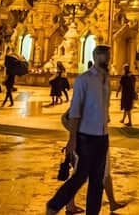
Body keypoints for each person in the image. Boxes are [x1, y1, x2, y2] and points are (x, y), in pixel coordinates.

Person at [46, 45, 113, 215]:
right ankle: (54, 205)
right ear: (97, 57)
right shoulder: (84, 79)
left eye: (109, 56)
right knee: (81, 176)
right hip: (86, 136)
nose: (108, 60)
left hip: (102, 135)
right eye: (106, 56)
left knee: (97, 180)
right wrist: (72, 138)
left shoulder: (106, 79)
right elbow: (75, 110)